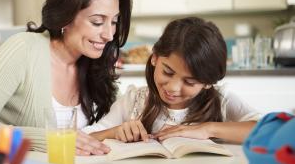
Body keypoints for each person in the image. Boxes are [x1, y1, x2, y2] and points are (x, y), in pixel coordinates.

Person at [0, 0, 132, 155]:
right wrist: (46, 139)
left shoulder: (96, 63)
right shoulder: (23, 49)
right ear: (66, 17)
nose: (109, 34)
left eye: (114, 22)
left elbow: (115, 118)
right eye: (97, 22)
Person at [83, 17, 261, 144]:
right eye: (167, 72)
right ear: (155, 58)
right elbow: (84, 137)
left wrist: (208, 129)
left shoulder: (221, 100)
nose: (174, 88)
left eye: (190, 82)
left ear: (208, 82)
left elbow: (272, 130)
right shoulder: (135, 100)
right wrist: (114, 132)